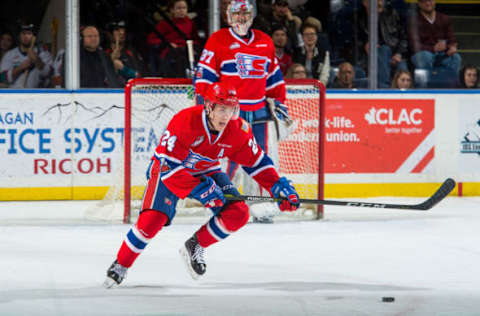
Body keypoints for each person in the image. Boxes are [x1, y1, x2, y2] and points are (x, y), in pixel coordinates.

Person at [103, 82, 300, 287]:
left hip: (206, 170)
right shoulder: (185, 121)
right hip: (170, 171)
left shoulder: (238, 130)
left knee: (238, 213)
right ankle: (121, 265)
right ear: (209, 107)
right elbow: (167, 168)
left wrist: (278, 186)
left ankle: (195, 245)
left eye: (230, 109)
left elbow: (257, 162)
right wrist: (200, 189)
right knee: (153, 220)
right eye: (221, 109)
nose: (226, 116)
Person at [194, 0, 288, 223]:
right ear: (228, 16)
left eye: (246, 13)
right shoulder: (218, 40)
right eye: (236, 13)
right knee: (227, 158)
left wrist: (280, 103)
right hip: (229, 113)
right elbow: (204, 78)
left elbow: (274, 78)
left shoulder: (265, 41)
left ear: (253, 15)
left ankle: (261, 204)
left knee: (260, 156)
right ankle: (217, 200)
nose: (241, 17)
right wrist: (204, 108)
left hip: (258, 110)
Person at [354, 0, 409, 88]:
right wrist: (364, 45)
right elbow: (353, 41)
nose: (379, 3)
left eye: (381, 0)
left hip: (394, 55)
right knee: (383, 50)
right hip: (369, 58)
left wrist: (399, 53)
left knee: (403, 69)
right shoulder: (358, 17)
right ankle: (384, 90)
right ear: (365, 3)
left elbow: (403, 37)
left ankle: (405, 97)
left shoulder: (392, 14)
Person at [407, 0, 461, 82]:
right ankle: (425, 87)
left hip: (441, 54)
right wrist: (433, 48)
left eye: (430, 0)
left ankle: (450, 87)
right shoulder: (413, 20)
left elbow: (451, 39)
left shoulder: (444, 18)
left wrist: (452, 46)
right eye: (424, 1)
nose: (428, 3)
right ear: (419, 4)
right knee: (426, 56)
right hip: (421, 54)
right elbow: (413, 45)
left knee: (456, 58)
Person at [146, 0, 201, 77]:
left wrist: (192, 47)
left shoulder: (190, 23)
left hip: (187, 51)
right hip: (171, 52)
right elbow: (151, 39)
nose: (182, 10)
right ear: (172, 10)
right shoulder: (165, 24)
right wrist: (167, 43)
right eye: (178, 8)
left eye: (184, 8)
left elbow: (196, 39)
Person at [0, 23, 52, 88]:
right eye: (23, 33)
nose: (26, 36)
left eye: (29, 33)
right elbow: (2, 78)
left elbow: (50, 75)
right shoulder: (10, 54)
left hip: (36, 95)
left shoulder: (43, 53)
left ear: (34, 37)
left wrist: (37, 60)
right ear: (19, 36)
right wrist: (21, 67)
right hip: (15, 95)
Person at [106, 20, 146, 85]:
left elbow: (140, 76)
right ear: (109, 34)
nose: (122, 32)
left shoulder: (131, 52)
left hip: (129, 90)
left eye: (123, 30)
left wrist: (123, 69)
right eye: (117, 30)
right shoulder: (104, 53)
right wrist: (111, 60)